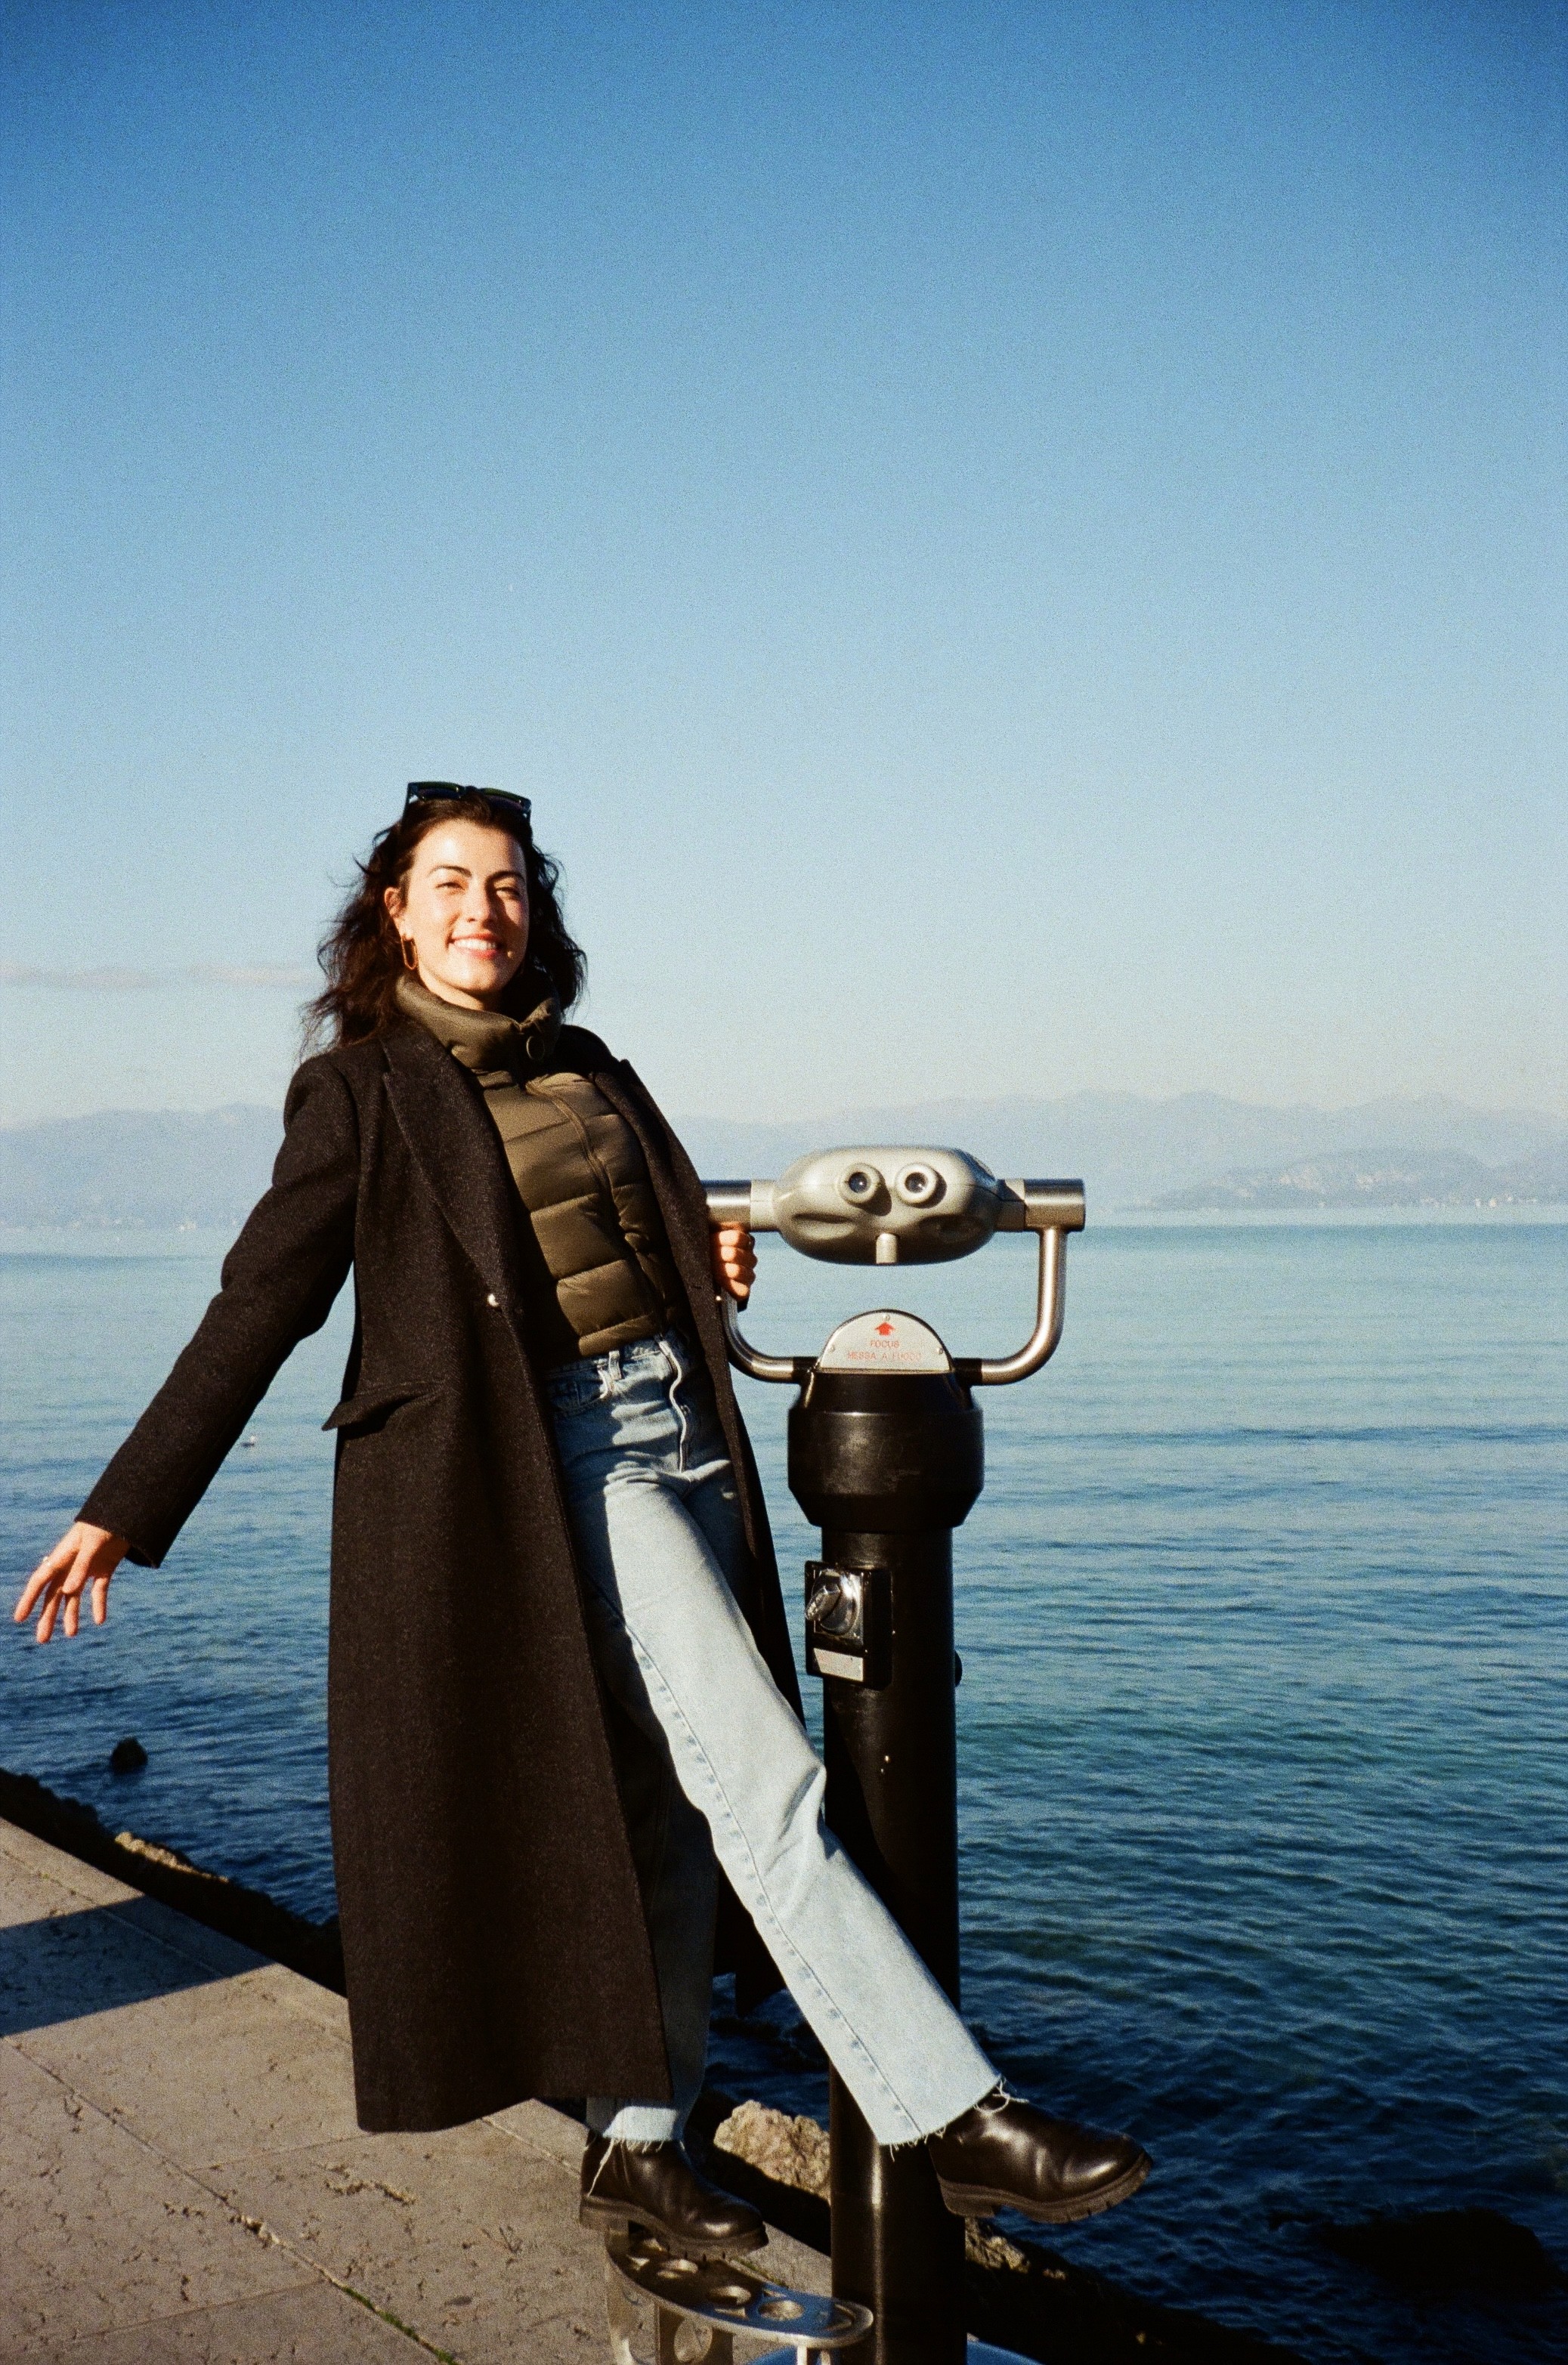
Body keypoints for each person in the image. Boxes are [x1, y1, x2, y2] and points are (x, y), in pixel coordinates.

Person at [16, 783, 1150, 2256]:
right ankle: (956, 2113)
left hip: (684, 1426)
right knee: (764, 1775)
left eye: (507, 883)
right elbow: (264, 1301)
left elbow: (641, 1240)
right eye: (451, 883)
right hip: (551, 1459)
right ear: (395, 914)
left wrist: (708, 1250)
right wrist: (125, 1502)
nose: (483, 907)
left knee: (673, 1813)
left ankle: (638, 2141)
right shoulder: (363, 1091)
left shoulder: (591, 1069)